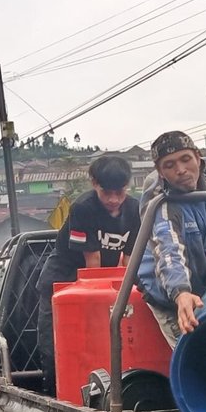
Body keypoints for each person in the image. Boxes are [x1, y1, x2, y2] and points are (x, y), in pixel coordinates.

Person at [37, 155, 141, 392]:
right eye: (107, 193)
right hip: (66, 282)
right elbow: (92, 263)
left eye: (120, 192)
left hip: (105, 282)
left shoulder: (135, 209)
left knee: (113, 343)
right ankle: (59, 394)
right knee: (61, 350)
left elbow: (128, 260)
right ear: (94, 184)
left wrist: (121, 300)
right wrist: (105, 304)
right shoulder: (84, 208)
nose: (114, 200)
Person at [134, 130, 206, 347]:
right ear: (160, 172)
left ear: (198, 156)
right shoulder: (161, 201)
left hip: (199, 281)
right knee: (194, 353)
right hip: (168, 295)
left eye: (186, 159)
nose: (181, 170)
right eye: (169, 165)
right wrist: (180, 293)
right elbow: (169, 249)